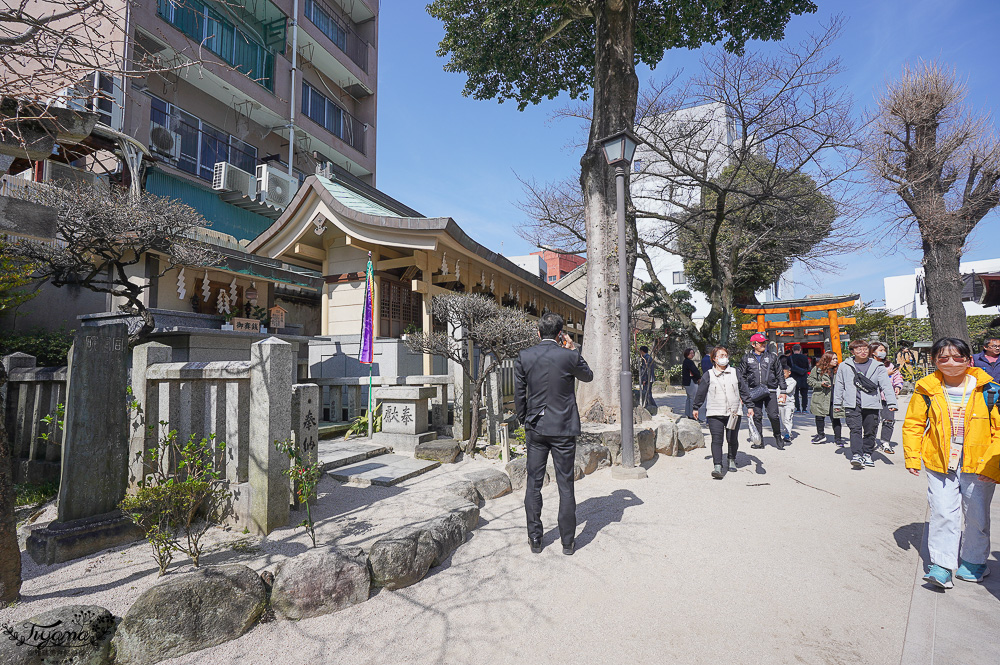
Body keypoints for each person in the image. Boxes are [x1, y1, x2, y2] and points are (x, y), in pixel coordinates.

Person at [902, 337, 1000, 589]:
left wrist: (992, 466)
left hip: (979, 463)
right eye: (943, 358)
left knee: (977, 516)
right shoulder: (926, 388)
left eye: (958, 357)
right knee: (943, 513)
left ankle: (974, 562)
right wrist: (912, 456)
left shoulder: (990, 390)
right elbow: (913, 424)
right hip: (939, 461)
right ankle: (942, 565)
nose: (951, 363)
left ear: (969, 360)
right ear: (935, 361)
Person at [514, 312, 594, 555]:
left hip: (536, 426)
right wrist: (573, 349)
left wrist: (524, 418)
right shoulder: (569, 356)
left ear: (538, 332)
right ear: (560, 334)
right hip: (563, 426)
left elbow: (519, 394)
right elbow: (588, 376)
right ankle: (567, 542)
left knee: (533, 483)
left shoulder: (525, 356)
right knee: (565, 484)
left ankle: (535, 539)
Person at [834, 339, 897, 469]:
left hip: (872, 402)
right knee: (855, 429)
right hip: (852, 403)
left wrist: (891, 402)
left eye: (865, 349)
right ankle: (857, 455)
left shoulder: (878, 366)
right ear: (852, 351)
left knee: (870, 430)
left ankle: (867, 453)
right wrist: (837, 403)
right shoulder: (844, 366)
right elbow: (839, 385)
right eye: (859, 349)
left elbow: (886, 385)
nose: (863, 352)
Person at [693, 346, 750, 479]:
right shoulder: (708, 374)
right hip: (715, 412)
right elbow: (701, 392)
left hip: (733, 412)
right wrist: (696, 407)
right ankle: (717, 466)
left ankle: (731, 459)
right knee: (717, 440)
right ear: (714, 358)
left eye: (725, 355)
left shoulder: (735, 372)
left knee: (732, 438)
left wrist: (750, 406)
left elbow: (743, 389)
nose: (724, 358)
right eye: (721, 355)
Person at [739, 332, 787, 450]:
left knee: (773, 415)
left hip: (770, 390)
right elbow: (742, 376)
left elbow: (780, 374)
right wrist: (742, 393)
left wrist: (783, 391)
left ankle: (777, 436)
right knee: (757, 416)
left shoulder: (772, 357)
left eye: (764, 342)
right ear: (753, 344)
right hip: (754, 391)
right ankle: (759, 441)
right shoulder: (746, 358)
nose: (763, 344)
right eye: (760, 343)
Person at [871, 341, 903, 454]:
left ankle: (885, 442)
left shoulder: (889, 365)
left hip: (887, 398)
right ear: (873, 352)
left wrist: (898, 386)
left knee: (889, 420)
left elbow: (897, 376)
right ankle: (870, 441)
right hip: (873, 397)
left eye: (884, 350)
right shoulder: (869, 364)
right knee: (873, 421)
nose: (883, 352)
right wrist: (886, 374)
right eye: (880, 350)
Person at [808, 351, 843, 445]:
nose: (836, 360)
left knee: (835, 418)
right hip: (821, 397)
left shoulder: (840, 370)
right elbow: (810, 380)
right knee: (819, 417)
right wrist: (820, 384)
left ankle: (838, 439)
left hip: (835, 397)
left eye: (836, 358)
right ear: (827, 359)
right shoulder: (817, 369)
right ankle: (821, 435)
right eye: (833, 359)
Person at [788, 344, 811, 412]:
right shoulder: (805, 357)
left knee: (795, 394)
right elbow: (808, 367)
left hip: (794, 377)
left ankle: (797, 408)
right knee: (804, 394)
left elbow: (788, 367)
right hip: (803, 376)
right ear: (800, 349)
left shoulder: (790, 358)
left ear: (793, 350)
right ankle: (804, 408)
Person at [681, 348, 702, 420]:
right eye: (691, 353)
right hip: (690, 381)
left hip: (687, 382)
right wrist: (699, 377)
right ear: (687, 354)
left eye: (693, 353)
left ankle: (688, 413)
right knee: (692, 398)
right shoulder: (689, 362)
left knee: (689, 398)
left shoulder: (686, 361)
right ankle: (692, 415)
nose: (692, 354)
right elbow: (695, 371)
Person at [778, 364, 796, 444]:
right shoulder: (777, 380)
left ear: (789, 373)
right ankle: (785, 431)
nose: (783, 375)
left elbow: (788, 390)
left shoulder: (792, 381)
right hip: (780, 403)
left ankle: (788, 434)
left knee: (787, 419)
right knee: (782, 419)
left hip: (789, 403)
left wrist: (781, 386)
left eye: (784, 373)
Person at [637, 345, 657, 412]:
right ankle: (651, 405)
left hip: (648, 378)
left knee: (647, 393)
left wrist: (644, 379)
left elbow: (646, 370)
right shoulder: (648, 357)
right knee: (648, 392)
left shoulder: (646, 358)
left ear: (642, 351)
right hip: (650, 377)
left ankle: (653, 406)